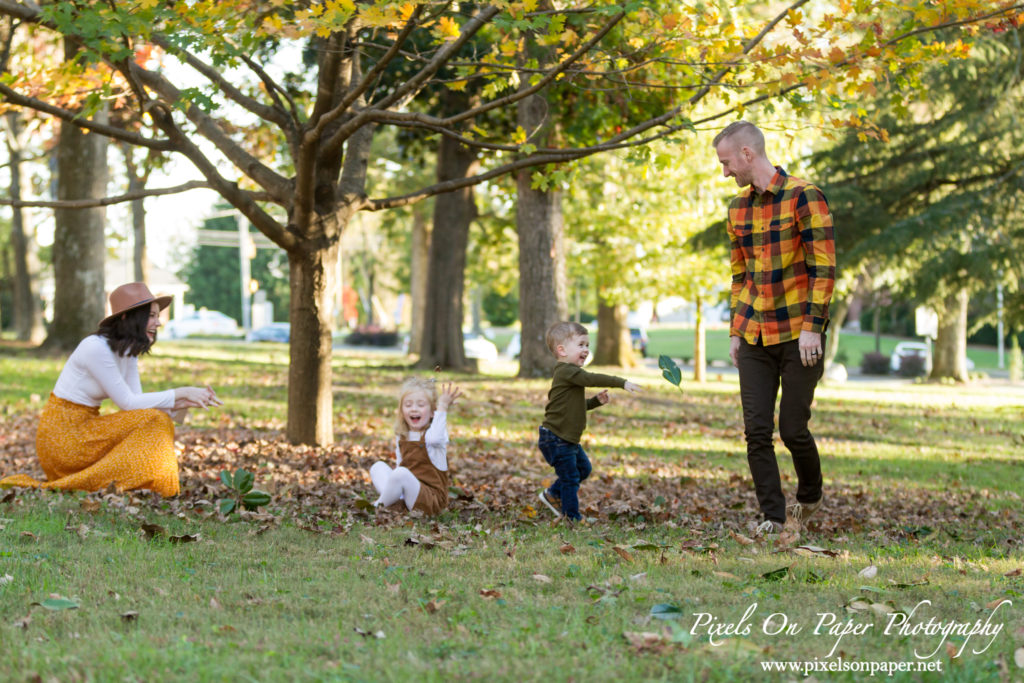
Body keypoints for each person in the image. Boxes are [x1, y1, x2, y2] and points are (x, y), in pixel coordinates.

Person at [712, 120, 836, 536]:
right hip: (753, 332)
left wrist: (812, 327)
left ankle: (811, 495)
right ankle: (773, 516)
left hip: (800, 334)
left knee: (793, 429)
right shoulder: (737, 209)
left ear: (748, 154)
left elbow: (823, 270)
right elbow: (738, 274)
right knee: (756, 432)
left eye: (727, 163)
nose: (725, 172)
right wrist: (735, 329)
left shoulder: (805, 197)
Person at [0, 282, 222, 497]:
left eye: (157, 316)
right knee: (156, 419)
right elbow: (127, 402)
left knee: (157, 420)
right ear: (128, 317)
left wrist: (183, 403)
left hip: (86, 430)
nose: (159, 323)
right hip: (63, 438)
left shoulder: (127, 352)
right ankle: (154, 484)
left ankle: (154, 485)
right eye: (151, 316)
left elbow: (137, 407)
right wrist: (180, 392)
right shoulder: (95, 347)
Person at [537, 321, 641, 522]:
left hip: (566, 439)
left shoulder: (570, 375)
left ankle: (551, 495)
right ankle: (572, 517)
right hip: (556, 439)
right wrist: (622, 382)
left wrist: (594, 402)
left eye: (587, 345)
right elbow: (591, 378)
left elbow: (572, 408)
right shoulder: (567, 371)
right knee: (570, 479)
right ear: (562, 350)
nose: (586, 349)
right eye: (581, 345)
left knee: (584, 469)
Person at [369, 378, 462, 515]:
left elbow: (434, 438)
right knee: (378, 467)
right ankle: (395, 502)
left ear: (432, 412)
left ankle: (377, 506)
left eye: (420, 405)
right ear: (401, 411)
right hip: (410, 493)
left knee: (401, 474)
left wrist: (442, 406)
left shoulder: (435, 436)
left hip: (431, 500)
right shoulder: (402, 436)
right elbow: (400, 466)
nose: (414, 409)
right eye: (408, 405)